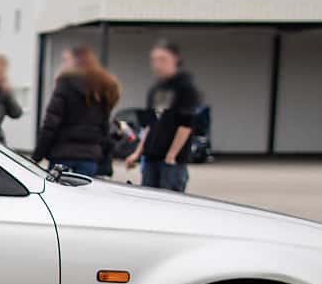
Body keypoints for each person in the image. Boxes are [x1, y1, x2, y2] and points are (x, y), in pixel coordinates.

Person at [34, 45, 120, 176]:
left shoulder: (65, 84)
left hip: (62, 154)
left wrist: (37, 155)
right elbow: (104, 127)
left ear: (75, 61)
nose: (63, 64)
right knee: (84, 193)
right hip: (89, 156)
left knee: (60, 193)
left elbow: (51, 123)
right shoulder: (100, 87)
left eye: (66, 60)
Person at [127, 39, 201, 192]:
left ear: (176, 60)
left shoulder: (185, 88)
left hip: (171, 162)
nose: (158, 65)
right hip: (151, 158)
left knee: (169, 203)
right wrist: (137, 152)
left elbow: (185, 125)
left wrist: (171, 155)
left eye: (163, 59)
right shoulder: (156, 90)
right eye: (155, 60)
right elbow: (150, 124)